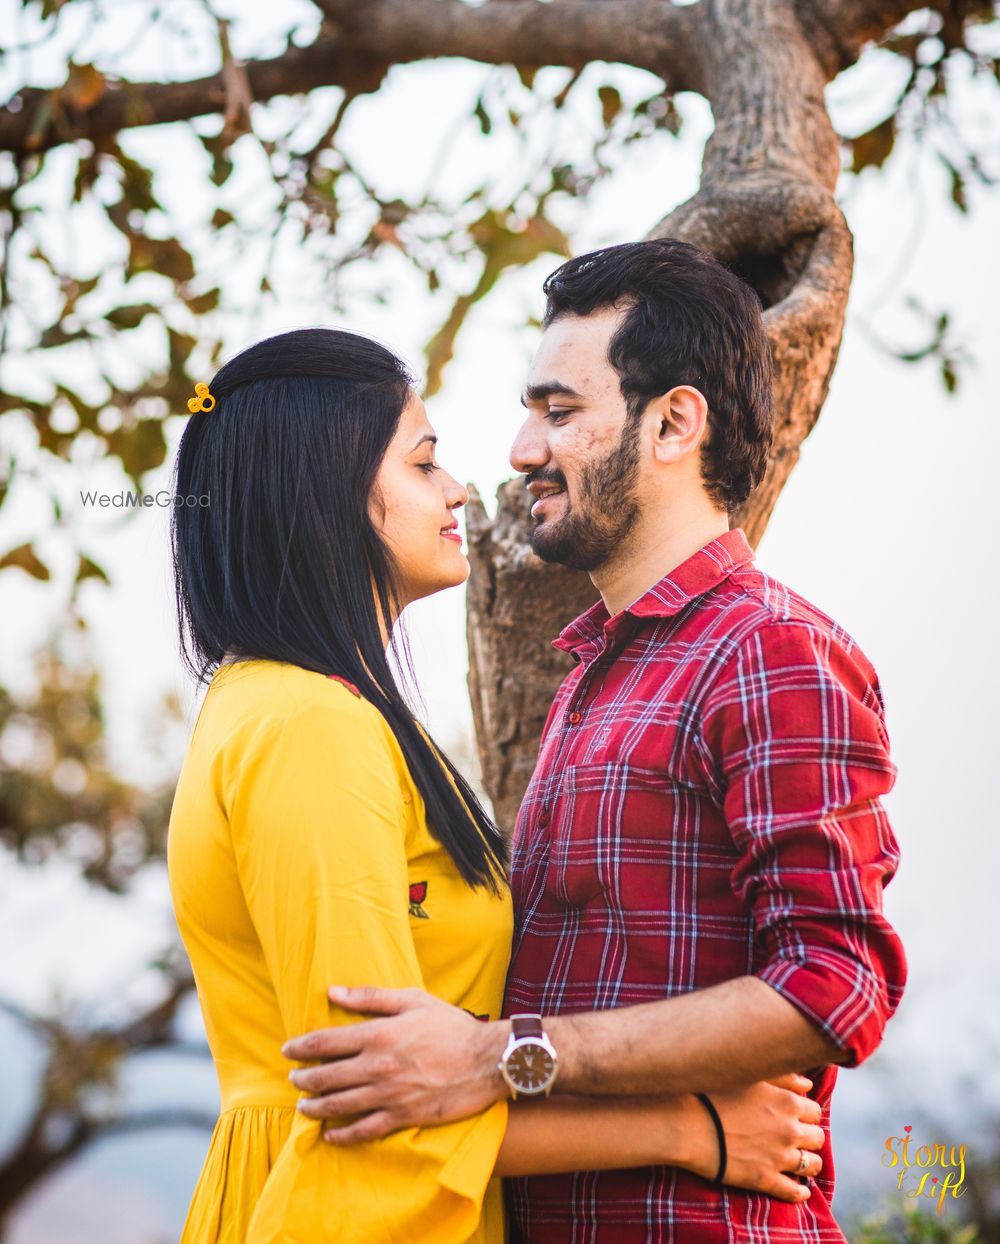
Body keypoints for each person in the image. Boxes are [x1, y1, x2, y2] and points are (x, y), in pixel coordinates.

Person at [282, 241, 908, 1243]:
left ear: (673, 423)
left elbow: (835, 988)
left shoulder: (771, 652)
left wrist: (504, 1055)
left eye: (559, 411)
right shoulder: (590, 676)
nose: (523, 448)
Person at [166, 324, 826, 1244]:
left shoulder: (313, 708)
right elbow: (379, 1096)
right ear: (325, 490)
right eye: (424, 463)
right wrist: (695, 1129)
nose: (461, 489)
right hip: (332, 1209)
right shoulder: (304, 723)